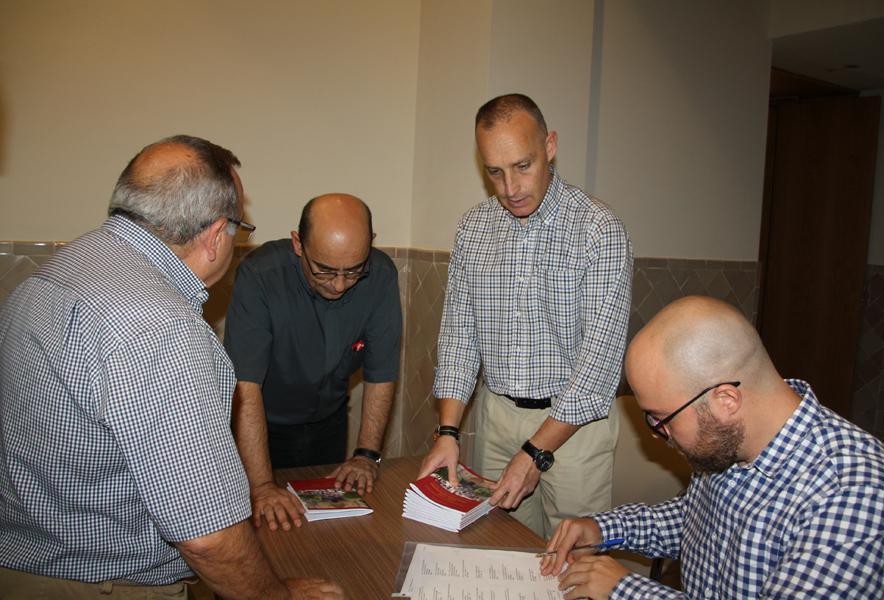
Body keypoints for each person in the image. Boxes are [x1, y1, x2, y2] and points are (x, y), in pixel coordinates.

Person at [0, 135, 343, 599]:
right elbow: (206, 534)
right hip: (105, 584)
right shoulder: (159, 324)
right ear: (216, 234)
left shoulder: (53, 275)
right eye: (241, 229)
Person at [542, 295, 884, 599]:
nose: (656, 433)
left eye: (661, 418)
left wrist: (625, 590)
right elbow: (693, 521)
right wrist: (605, 528)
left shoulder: (853, 492)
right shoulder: (729, 444)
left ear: (725, 400)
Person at [419, 93, 633, 538]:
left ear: (550, 146)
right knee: (502, 552)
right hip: (497, 418)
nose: (510, 188)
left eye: (523, 165)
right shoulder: (473, 229)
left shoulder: (599, 230)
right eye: (494, 172)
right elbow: (459, 339)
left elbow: (597, 369)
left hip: (577, 427)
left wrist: (535, 453)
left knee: (570, 563)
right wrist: (448, 432)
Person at [224, 193, 401, 531]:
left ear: (371, 244)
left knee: (324, 530)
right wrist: (261, 485)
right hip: (261, 430)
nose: (339, 284)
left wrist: (365, 455)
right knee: (261, 531)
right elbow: (246, 389)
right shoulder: (260, 276)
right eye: (324, 270)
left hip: (328, 425)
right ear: (298, 244)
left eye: (353, 271)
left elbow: (381, 374)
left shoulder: (380, 276)